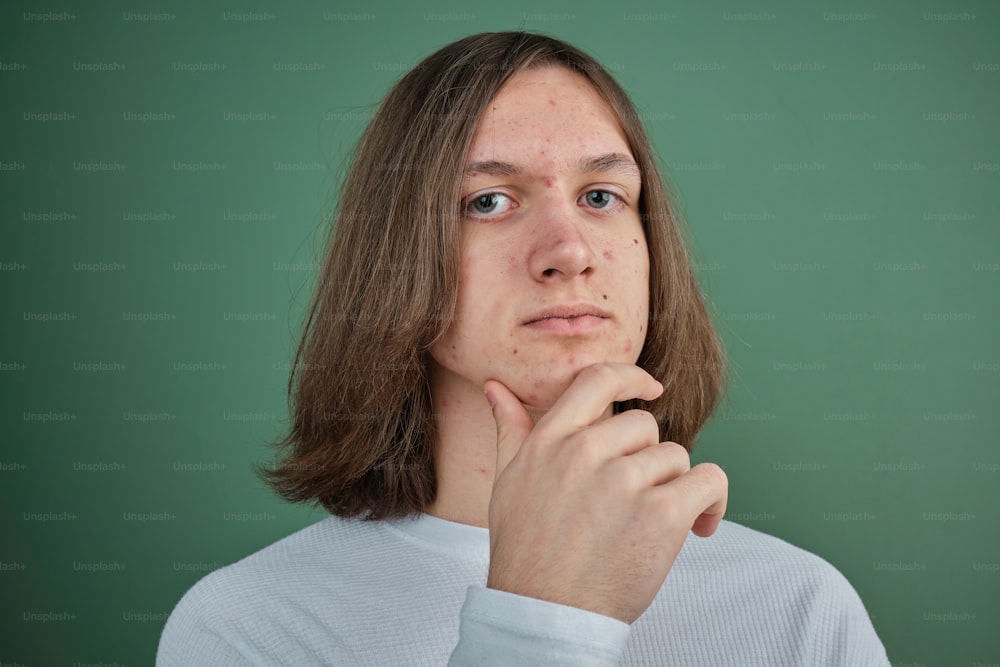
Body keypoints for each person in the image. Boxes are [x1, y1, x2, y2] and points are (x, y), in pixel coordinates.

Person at [157, 31, 891, 665]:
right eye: (488, 201)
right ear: (396, 258)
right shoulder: (250, 629)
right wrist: (541, 621)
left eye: (602, 195)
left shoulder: (800, 606)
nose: (569, 251)